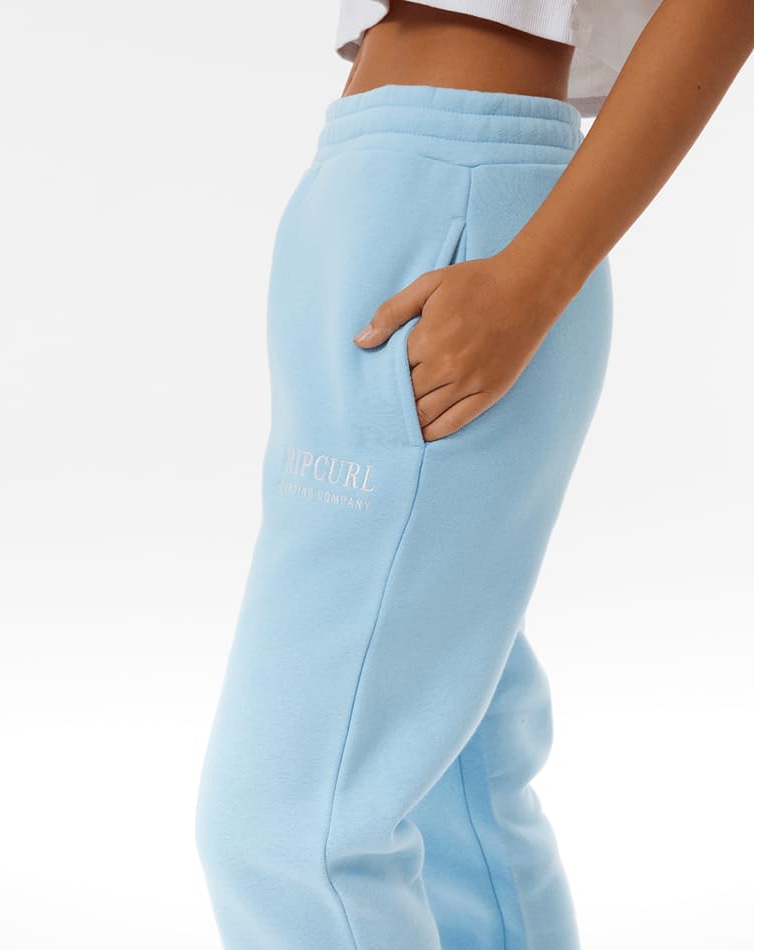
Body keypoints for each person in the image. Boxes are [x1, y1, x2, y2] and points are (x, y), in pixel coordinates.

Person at [195, 2, 753, 948]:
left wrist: (533, 278)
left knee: (289, 835)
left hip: (451, 208)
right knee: (457, 792)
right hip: (368, 189)